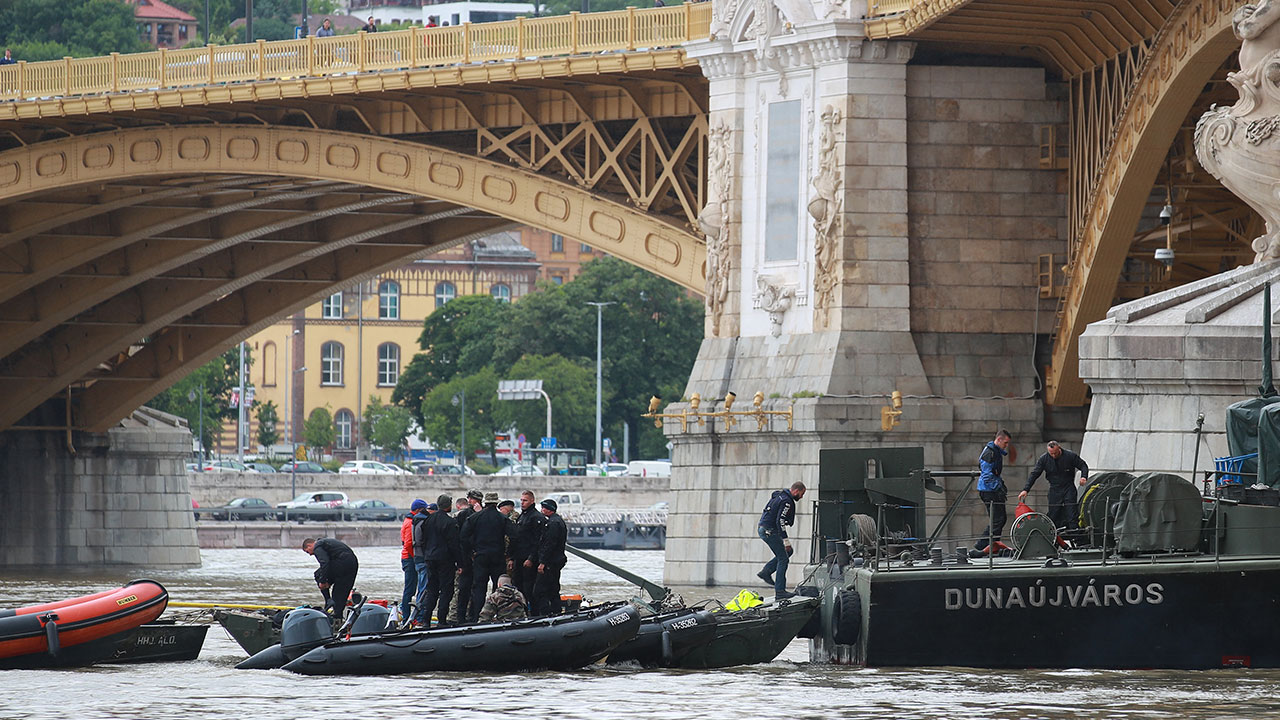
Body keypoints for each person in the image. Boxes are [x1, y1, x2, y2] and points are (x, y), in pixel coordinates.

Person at [1019, 441, 1090, 530]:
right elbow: (1034, 474)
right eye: (1051, 453)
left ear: (1059, 448)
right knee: (1053, 514)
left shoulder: (1070, 456)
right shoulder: (1044, 459)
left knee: (1072, 514)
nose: (1053, 456)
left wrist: (1084, 477)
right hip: (1054, 488)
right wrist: (1026, 489)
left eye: (1055, 453)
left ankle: (1075, 534)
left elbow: (1083, 465)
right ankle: (1053, 534)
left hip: (1068, 487)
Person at [465, 492, 512, 623]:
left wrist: (471, 552)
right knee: (499, 587)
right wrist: (509, 554)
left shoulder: (475, 518)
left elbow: (463, 536)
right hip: (498, 556)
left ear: (485, 502)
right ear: (496, 503)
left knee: (479, 588)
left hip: (480, 556)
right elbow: (515, 535)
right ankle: (499, 615)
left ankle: (478, 617)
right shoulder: (502, 518)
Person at [756, 481, 806, 599]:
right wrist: (786, 541)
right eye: (801, 494)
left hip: (764, 528)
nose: (801, 497)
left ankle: (766, 571)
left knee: (788, 552)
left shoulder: (779, 496)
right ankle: (780, 592)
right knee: (783, 559)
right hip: (769, 531)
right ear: (796, 491)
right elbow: (780, 521)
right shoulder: (786, 501)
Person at [419, 494, 460, 627]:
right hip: (445, 560)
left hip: (430, 558)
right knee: (446, 590)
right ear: (448, 506)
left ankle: (426, 619)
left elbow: (423, 540)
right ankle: (441, 620)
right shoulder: (450, 522)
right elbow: (454, 545)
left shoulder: (428, 520)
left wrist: (426, 555)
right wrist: (460, 563)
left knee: (432, 590)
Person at [302, 537, 359, 627]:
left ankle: (328, 600)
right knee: (340, 593)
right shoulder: (327, 543)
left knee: (318, 575)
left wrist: (322, 581)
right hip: (352, 563)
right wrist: (328, 580)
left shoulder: (318, 546)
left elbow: (325, 563)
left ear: (309, 545)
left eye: (307, 551)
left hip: (342, 562)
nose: (310, 554)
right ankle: (338, 618)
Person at [973, 429, 1013, 556]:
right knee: (997, 520)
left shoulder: (994, 451)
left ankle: (992, 545)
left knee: (999, 519)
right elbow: (987, 475)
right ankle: (982, 546)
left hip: (990, 489)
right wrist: (998, 487)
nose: (1006, 445)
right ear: (999, 439)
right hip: (989, 491)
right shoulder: (990, 453)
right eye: (1005, 443)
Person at [509, 490, 545, 604]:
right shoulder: (522, 516)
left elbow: (538, 541)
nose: (522, 503)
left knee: (529, 588)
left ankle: (533, 611)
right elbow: (516, 539)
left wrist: (531, 558)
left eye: (525, 500)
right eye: (521, 500)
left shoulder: (536, 517)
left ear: (532, 501)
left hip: (529, 559)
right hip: (519, 557)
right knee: (517, 586)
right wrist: (512, 558)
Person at [533, 498, 567, 616]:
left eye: (544, 508)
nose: (542, 510)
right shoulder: (558, 521)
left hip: (550, 562)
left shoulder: (553, 524)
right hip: (556, 560)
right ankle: (557, 612)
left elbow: (549, 544)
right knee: (553, 589)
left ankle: (545, 614)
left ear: (549, 510)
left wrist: (542, 562)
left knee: (539, 590)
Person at [452, 489, 482, 623]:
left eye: (472, 499)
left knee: (475, 589)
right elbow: (459, 538)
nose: (470, 501)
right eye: (469, 498)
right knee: (464, 589)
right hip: (467, 558)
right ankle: (461, 617)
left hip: (477, 557)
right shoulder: (463, 515)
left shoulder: (481, 514)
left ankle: (473, 616)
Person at [400, 498, 427, 621]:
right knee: (410, 589)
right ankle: (406, 617)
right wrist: (416, 556)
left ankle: (408, 615)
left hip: (408, 557)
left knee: (410, 589)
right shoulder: (411, 522)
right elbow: (408, 544)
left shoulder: (409, 520)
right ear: (418, 510)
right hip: (410, 558)